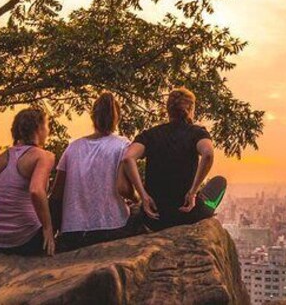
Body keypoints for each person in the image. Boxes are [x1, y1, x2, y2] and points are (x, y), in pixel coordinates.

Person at [123, 87, 227, 231]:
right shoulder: (197, 133)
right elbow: (208, 153)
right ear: (191, 109)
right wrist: (192, 192)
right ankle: (201, 202)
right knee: (220, 182)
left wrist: (144, 196)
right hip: (187, 213)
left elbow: (128, 158)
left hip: (154, 217)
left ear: (168, 110)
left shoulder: (151, 135)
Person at [50, 91, 139, 252]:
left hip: (73, 232)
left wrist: (52, 231)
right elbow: (123, 188)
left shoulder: (73, 147)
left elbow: (56, 195)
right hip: (111, 227)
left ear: (93, 117)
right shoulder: (122, 145)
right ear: (116, 118)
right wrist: (137, 198)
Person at [0, 108, 56, 256]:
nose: (48, 131)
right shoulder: (44, 156)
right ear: (38, 128)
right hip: (24, 239)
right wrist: (48, 228)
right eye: (47, 126)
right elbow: (36, 190)